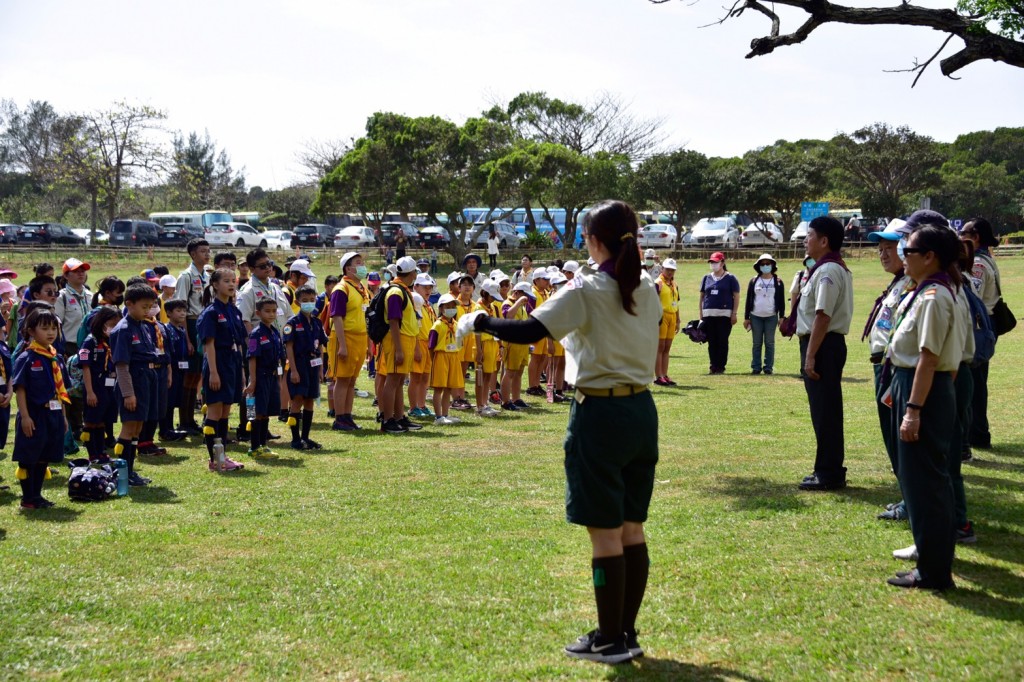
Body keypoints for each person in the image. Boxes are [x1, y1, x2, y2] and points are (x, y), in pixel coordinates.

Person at [469, 199, 661, 664]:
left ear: (594, 242)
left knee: (604, 533)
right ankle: (625, 633)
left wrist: (480, 322)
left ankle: (609, 638)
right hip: (641, 411)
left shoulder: (587, 290)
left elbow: (528, 331)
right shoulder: (649, 286)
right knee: (632, 528)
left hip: (600, 414)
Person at [884, 224, 963, 590]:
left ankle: (933, 571)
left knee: (925, 483)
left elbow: (929, 358)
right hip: (914, 386)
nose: (904, 257)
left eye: (909, 252)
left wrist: (913, 408)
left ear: (929, 257)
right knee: (924, 480)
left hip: (923, 392)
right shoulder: (930, 291)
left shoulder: (934, 296)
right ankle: (933, 565)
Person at [797, 216, 854, 491]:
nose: (805, 240)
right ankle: (825, 468)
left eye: (809, 236)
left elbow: (823, 315)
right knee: (822, 411)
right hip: (822, 344)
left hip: (823, 345)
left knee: (826, 412)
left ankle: (829, 472)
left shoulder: (828, 270)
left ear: (824, 241)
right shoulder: (823, 268)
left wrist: (810, 355)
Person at [863, 221, 912, 520]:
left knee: (898, 437)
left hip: (892, 367)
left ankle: (911, 501)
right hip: (883, 365)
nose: (883, 254)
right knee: (891, 435)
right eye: (880, 249)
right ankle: (906, 495)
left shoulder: (910, 282)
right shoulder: (898, 281)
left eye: (890, 248)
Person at [12, 308, 69, 509]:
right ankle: (28, 497)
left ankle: (37, 495)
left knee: (45, 454)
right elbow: (20, 390)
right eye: (45, 328)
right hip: (34, 414)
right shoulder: (26, 358)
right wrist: (25, 417)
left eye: (54, 328)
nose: (51, 332)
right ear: (31, 331)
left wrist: (63, 417)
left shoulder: (56, 358)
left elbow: (61, 392)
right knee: (30, 455)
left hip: (53, 413)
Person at [110, 284, 164, 487]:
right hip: (132, 382)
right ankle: (122, 472)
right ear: (129, 304)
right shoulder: (122, 330)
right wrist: (128, 394)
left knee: (138, 428)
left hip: (147, 380)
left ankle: (130, 471)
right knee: (129, 427)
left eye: (150, 306)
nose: (147, 310)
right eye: (144, 306)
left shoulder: (144, 326)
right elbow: (121, 366)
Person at [196, 268, 247, 472]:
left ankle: (222, 456)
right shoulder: (211, 313)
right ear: (215, 285)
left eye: (233, 281)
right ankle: (214, 459)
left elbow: (240, 342)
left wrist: (242, 370)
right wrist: (214, 372)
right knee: (215, 411)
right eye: (226, 281)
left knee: (226, 411)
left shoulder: (234, 310)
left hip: (233, 362)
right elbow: (209, 345)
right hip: (218, 362)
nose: (231, 284)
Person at [960, 217, 1001, 452]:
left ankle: (976, 433)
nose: (959, 235)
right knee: (977, 381)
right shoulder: (989, 259)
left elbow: (971, 295)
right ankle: (978, 432)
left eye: (963, 232)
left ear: (975, 237)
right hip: (988, 323)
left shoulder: (978, 264)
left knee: (973, 383)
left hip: (978, 326)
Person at [379, 257, 422, 434]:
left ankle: (398, 416)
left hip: (406, 339)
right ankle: (388, 419)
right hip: (398, 340)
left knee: (398, 381)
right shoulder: (396, 293)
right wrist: (398, 348)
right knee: (392, 380)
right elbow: (394, 321)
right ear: (411, 273)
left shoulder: (402, 290)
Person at [329, 252, 370, 431]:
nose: (362, 266)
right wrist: (343, 345)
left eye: (362, 262)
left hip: (360, 338)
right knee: (343, 379)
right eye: (358, 263)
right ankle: (339, 418)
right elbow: (337, 317)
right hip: (344, 337)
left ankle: (347, 416)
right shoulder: (341, 288)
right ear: (348, 268)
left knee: (352, 381)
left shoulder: (361, 288)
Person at [173, 238, 211, 434]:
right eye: (203, 251)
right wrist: (186, 338)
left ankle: (190, 420)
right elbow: (180, 310)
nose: (207, 254)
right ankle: (184, 420)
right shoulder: (186, 276)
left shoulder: (207, 275)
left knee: (196, 375)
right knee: (188, 376)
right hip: (190, 324)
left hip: (202, 323)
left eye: (208, 250)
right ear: (193, 254)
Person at [284, 285, 328, 450]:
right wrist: (293, 370)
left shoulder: (316, 322)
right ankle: (295, 439)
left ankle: (306, 437)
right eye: (305, 301)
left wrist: (320, 368)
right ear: (297, 302)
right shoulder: (292, 323)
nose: (309, 303)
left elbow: (321, 346)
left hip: (313, 365)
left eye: (312, 300)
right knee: (297, 400)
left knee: (310, 400)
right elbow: (289, 347)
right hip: (299, 365)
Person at [78, 307, 121, 463]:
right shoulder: (90, 341)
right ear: (101, 322)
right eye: (111, 324)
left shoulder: (110, 340)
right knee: (91, 420)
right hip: (95, 387)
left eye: (117, 324)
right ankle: (92, 453)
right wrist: (89, 392)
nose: (113, 327)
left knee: (103, 420)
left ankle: (101, 451)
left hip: (109, 387)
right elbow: (85, 367)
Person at [244, 298, 285, 458]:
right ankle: (254, 447)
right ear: (258, 313)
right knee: (256, 412)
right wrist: (252, 381)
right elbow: (252, 358)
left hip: (272, 377)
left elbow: (280, 358)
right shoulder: (256, 334)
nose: (271, 314)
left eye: (274, 311)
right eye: (267, 311)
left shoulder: (275, 331)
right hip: (260, 377)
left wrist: (280, 381)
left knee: (266, 411)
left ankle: (263, 445)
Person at [742, 254, 785, 375]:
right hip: (755, 316)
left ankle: (768, 367)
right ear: (758, 266)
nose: (765, 266)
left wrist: (781, 317)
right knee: (756, 343)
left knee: (770, 343)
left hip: (771, 316)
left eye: (768, 264)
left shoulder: (778, 281)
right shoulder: (754, 280)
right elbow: (748, 299)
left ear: (772, 265)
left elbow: (781, 300)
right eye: (763, 264)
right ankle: (756, 367)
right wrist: (746, 317)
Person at [698, 252, 740, 374]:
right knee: (711, 341)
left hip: (725, 315)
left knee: (722, 340)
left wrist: (734, 313)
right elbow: (701, 297)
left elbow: (736, 296)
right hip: (708, 314)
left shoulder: (731, 278)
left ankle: (721, 366)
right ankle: (713, 365)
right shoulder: (706, 278)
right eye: (711, 262)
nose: (713, 264)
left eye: (715, 262)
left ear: (722, 263)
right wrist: (700, 314)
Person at [429, 294, 463, 424]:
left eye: (453, 306)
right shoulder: (437, 325)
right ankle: (438, 417)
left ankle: (445, 414)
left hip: (453, 356)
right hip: (441, 356)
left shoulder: (456, 324)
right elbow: (431, 346)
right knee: (439, 388)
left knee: (449, 388)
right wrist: (434, 361)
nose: (451, 308)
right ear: (441, 308)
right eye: (448, 306)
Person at [499, 282, 533, 411]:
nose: (527, 299)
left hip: (522, 343)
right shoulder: (508, 303)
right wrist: (518, 302)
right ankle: (506, 401)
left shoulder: (522, 307)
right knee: (510, 372)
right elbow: (508, 315)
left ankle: (516, 398)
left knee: (519, 372)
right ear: (517, 292)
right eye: (524, 295)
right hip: (512, 343)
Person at [159, 299, 190, 442]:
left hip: (181, 370)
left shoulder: (182, 330)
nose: (182, 313)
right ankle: (165, 430)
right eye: (178, 311)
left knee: (176, 399)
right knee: (168, 401)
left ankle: (171, 428)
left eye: (184, 310)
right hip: (171, 369)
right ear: (169, 313)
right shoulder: (166, 329)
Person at [409, 275, 437, 418]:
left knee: (425, 377)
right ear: (415, 287)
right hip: (418, 342)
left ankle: (422, 404)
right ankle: (413, 407)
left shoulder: (429, 305)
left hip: (428, 344)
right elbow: (413, 328)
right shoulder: (414, 303)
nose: (428, 290)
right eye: (424, 287)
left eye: (430, 287)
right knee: (415, 377)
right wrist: (416, 348)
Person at [654, 258, 680, 386]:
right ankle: (658, 376)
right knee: (660, 347)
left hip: (672, 316)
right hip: (661, 316)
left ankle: (665, 374)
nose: (670, 272)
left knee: (667, 348)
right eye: (668, 269)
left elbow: (677, 302)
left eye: (672, 270)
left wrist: (678, 320)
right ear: (662, 269)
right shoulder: (658, 283)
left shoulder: (674, 284)